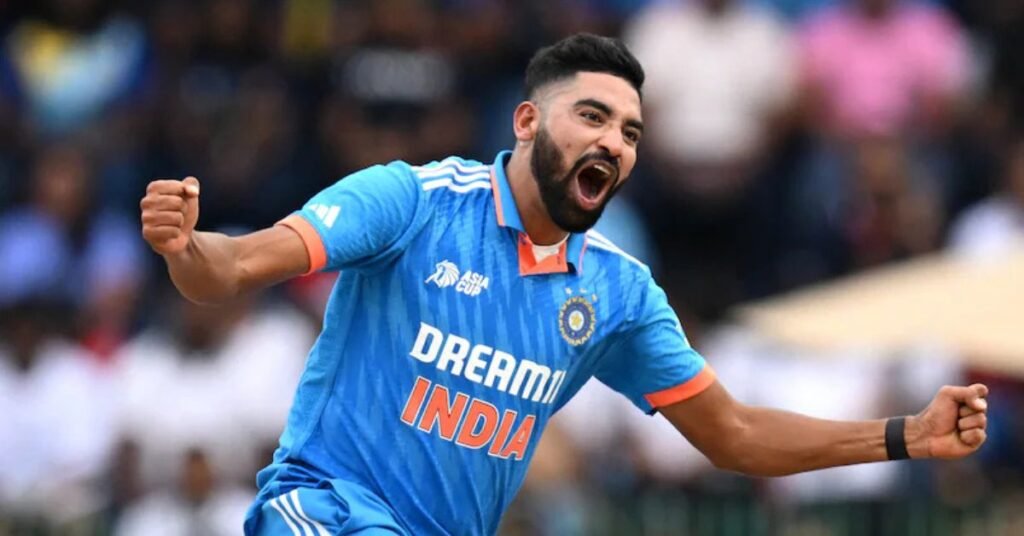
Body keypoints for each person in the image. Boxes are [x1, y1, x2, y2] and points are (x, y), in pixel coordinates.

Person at [140, 33, 990, 536]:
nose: (615, 143)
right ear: (526, 122)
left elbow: (734, 436)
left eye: (630, 132)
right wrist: (186, 248)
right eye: (593, 117)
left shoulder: (617, 296)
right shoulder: (409, 200)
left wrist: (904, 437)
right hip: (320, 511)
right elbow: (235, 268)